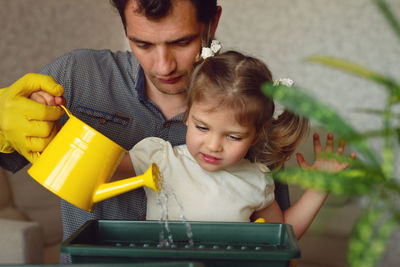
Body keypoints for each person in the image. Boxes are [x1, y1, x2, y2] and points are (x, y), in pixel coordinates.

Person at [120, 50, 354, 239]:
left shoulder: (255, 180)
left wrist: (319, 188)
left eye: (233, 136)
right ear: (188, 115)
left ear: (255, 135)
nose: (213, 146)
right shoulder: (159, 159)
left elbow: (283, 235)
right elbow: (96, 166)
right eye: (203, 127)